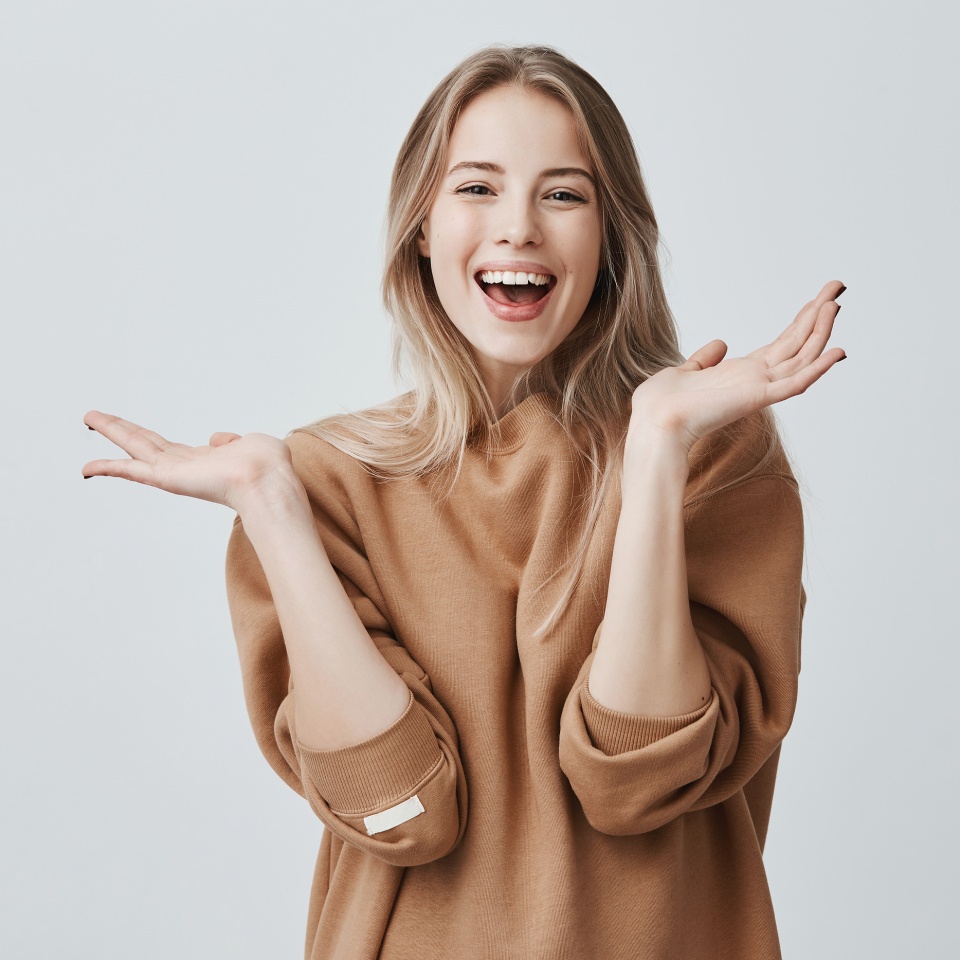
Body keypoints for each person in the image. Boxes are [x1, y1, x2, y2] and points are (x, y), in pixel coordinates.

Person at [82, 44, 845, 960]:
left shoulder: (711, 450)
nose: (518, 227)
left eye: (563, 194)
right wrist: (271, 505)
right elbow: (398, 810)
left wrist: (652, 453)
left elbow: (637, 785)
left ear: (611, 237)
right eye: (476, 188)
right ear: (421, 226)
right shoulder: (327, 481)